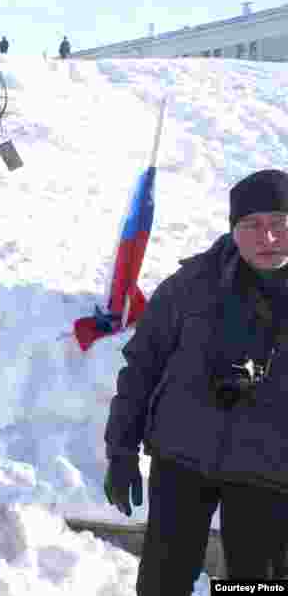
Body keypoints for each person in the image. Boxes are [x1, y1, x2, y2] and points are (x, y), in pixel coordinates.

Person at [103, 168, 288, 594]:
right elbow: (142, 366)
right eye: (253, 225)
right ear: (232, 228)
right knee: (161, 585)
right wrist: (121, 450)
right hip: (182, 460)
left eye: (279, 223)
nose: (268, 238)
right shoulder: (191, 286)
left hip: (271, 474)